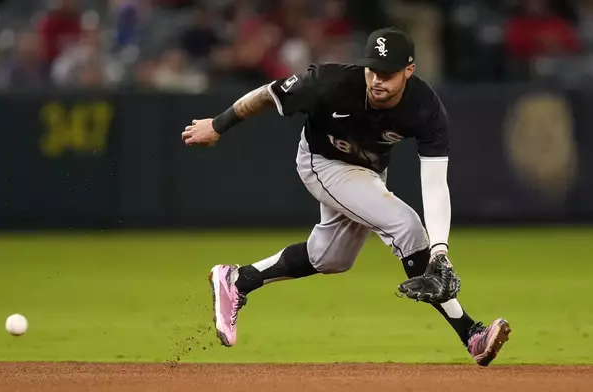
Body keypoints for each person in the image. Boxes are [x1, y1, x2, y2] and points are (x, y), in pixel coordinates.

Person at [181, 27, 511, 367]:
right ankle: (471, 333)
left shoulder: (425, 108)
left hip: (367, 172)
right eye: (373, 69)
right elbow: (268, 93)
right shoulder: (330, 82)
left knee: (331, 258)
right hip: (322, 162)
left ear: (409, 71)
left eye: (388, 73)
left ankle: (238, 279)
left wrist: (440, 250)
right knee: (406, 226)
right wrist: (218, 125)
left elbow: (435, 183)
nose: (377, 80)